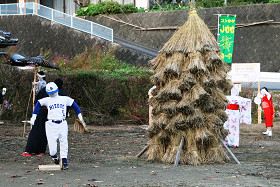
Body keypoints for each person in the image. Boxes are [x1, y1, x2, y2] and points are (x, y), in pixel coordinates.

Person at [30, 82, 86, 170]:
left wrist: (81, 118)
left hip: (62, 123)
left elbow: (75, 106)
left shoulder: (64, 99)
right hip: (50, 124)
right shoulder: (47, 100)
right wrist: (34, 116)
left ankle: (64, 161)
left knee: (64, 142)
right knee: (52, 148)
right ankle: (54, 157)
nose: (52, 94)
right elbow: (38, 104)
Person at [21, 78, 68, 156]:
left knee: (36, 132)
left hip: (43, 113)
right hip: (52, 115)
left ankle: (30, 150)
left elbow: (37, 101)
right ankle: (41, 150)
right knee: (46, 133)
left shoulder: (45, 90)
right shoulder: (62, 93)